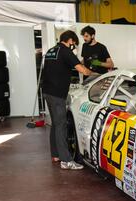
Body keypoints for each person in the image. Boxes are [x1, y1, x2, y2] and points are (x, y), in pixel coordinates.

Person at [41, 30, 93, 170]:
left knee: (56, 124)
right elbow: (81, 69)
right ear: (70, 40)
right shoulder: (65, 51)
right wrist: (93, 73)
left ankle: (56, 154)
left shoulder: (52, 51)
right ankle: (66, 161)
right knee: (61, 125)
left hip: (47, 92)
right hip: (57, 94)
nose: (74, 46)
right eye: (74, 44)